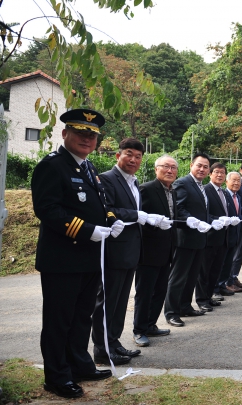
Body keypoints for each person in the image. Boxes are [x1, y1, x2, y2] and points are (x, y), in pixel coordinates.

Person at [31, 108, 116, 399]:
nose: (87, 139)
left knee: (81, 317)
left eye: (92, 135)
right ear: (65, 133)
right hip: (63, 259)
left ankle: (79, 365)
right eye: (81, 133)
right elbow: (47, 209)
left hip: (89, 258)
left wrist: (110, 221)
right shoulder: (52, 166)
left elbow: (98, 204)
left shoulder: (88, 166)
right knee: (59, 320)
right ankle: (56, 377)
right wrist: (86, 230)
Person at [92, 138, 146, 366]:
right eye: (129, 154)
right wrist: (135, 216)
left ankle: (113, 342)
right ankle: (102, 349)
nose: (133, 160)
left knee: (122, 301)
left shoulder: (134, 182)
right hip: (113, 250)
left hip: (130, 251)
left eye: (138, 156)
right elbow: (107, 209)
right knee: (107, 301)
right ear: (118, 156)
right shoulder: (106, 179)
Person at [132, 155, 179, 347]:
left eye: (173, 168)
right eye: (165, 167)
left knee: (160, 290)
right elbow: (138, 219)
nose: (170, 171)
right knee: (145, 291)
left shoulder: (172, 191)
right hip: (149, 250)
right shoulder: (146, 189)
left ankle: (151, 324)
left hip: (167, 249)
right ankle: (139, 330)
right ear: (156, 169)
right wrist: (154, 224)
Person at [164, 153, 212, 327]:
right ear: (191, 165)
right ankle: (171, 312)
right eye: (199, 165)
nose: (202, 169)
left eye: (205, 167)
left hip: (199, 239)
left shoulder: (201, 186)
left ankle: (185, 306)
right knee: (178, 277)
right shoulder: (183, 183)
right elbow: (178, 208)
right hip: (184, 238)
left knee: (192, 276)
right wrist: (191, 220)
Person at [196, 162, 231, 311]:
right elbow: (204, 213)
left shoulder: (223, 192)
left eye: (222, 173)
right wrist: (216, 220)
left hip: (222, 237)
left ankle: (209, 297)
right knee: (205, 271)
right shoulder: (206, 190)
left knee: (215, 270)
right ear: (210, 174)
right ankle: (201, 299)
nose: (219, 175)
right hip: (210, 236)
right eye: (216, 172)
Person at [215, 172, 242, 294]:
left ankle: (227, 282)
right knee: (223, 261)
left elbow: (238, 212)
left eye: (238, 181)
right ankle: (222, 284)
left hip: (235, 233)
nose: (236, 183)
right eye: (234, 180)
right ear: (227, 181)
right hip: (225, 233)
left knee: (230, 260)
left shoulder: (237, 196)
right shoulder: (224, 195)